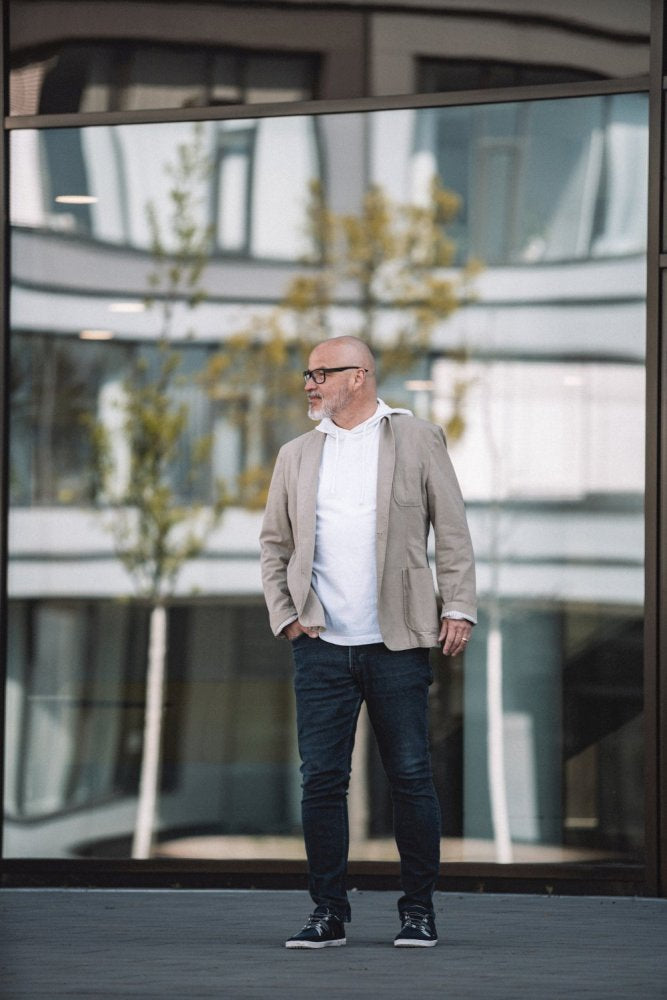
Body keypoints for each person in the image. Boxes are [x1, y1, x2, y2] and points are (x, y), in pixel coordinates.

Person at [260, 335, 476, 949]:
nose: (310, 383)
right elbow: (274, 544)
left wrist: (457, 605)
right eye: (307, 374)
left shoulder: (417, 438)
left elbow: (452, 530)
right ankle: (328, 913)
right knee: (322, 780)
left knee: (410, 775)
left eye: (320, 373)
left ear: (358, 376)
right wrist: (288, 617)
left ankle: (419, 911)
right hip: (321, 642)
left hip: (397, 640)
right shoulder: (296, 454)